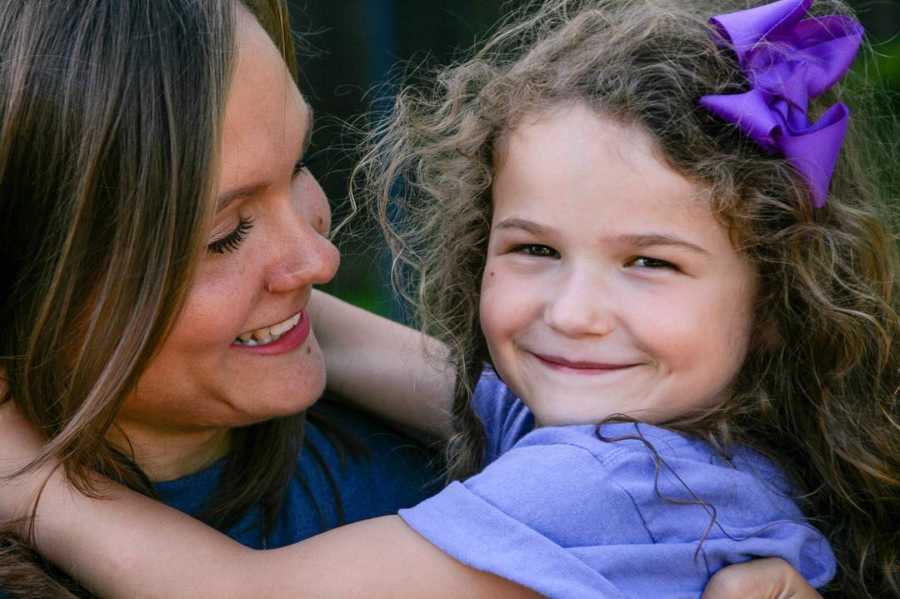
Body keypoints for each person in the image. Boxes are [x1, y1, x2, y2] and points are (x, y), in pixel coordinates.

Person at [0, 0, 860, 597]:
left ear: (776, 296)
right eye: (224, 233)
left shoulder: (618, 479)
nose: (319, 258)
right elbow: (444, 383)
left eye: (300, 166)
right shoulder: (648, 444)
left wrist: (32, 481)